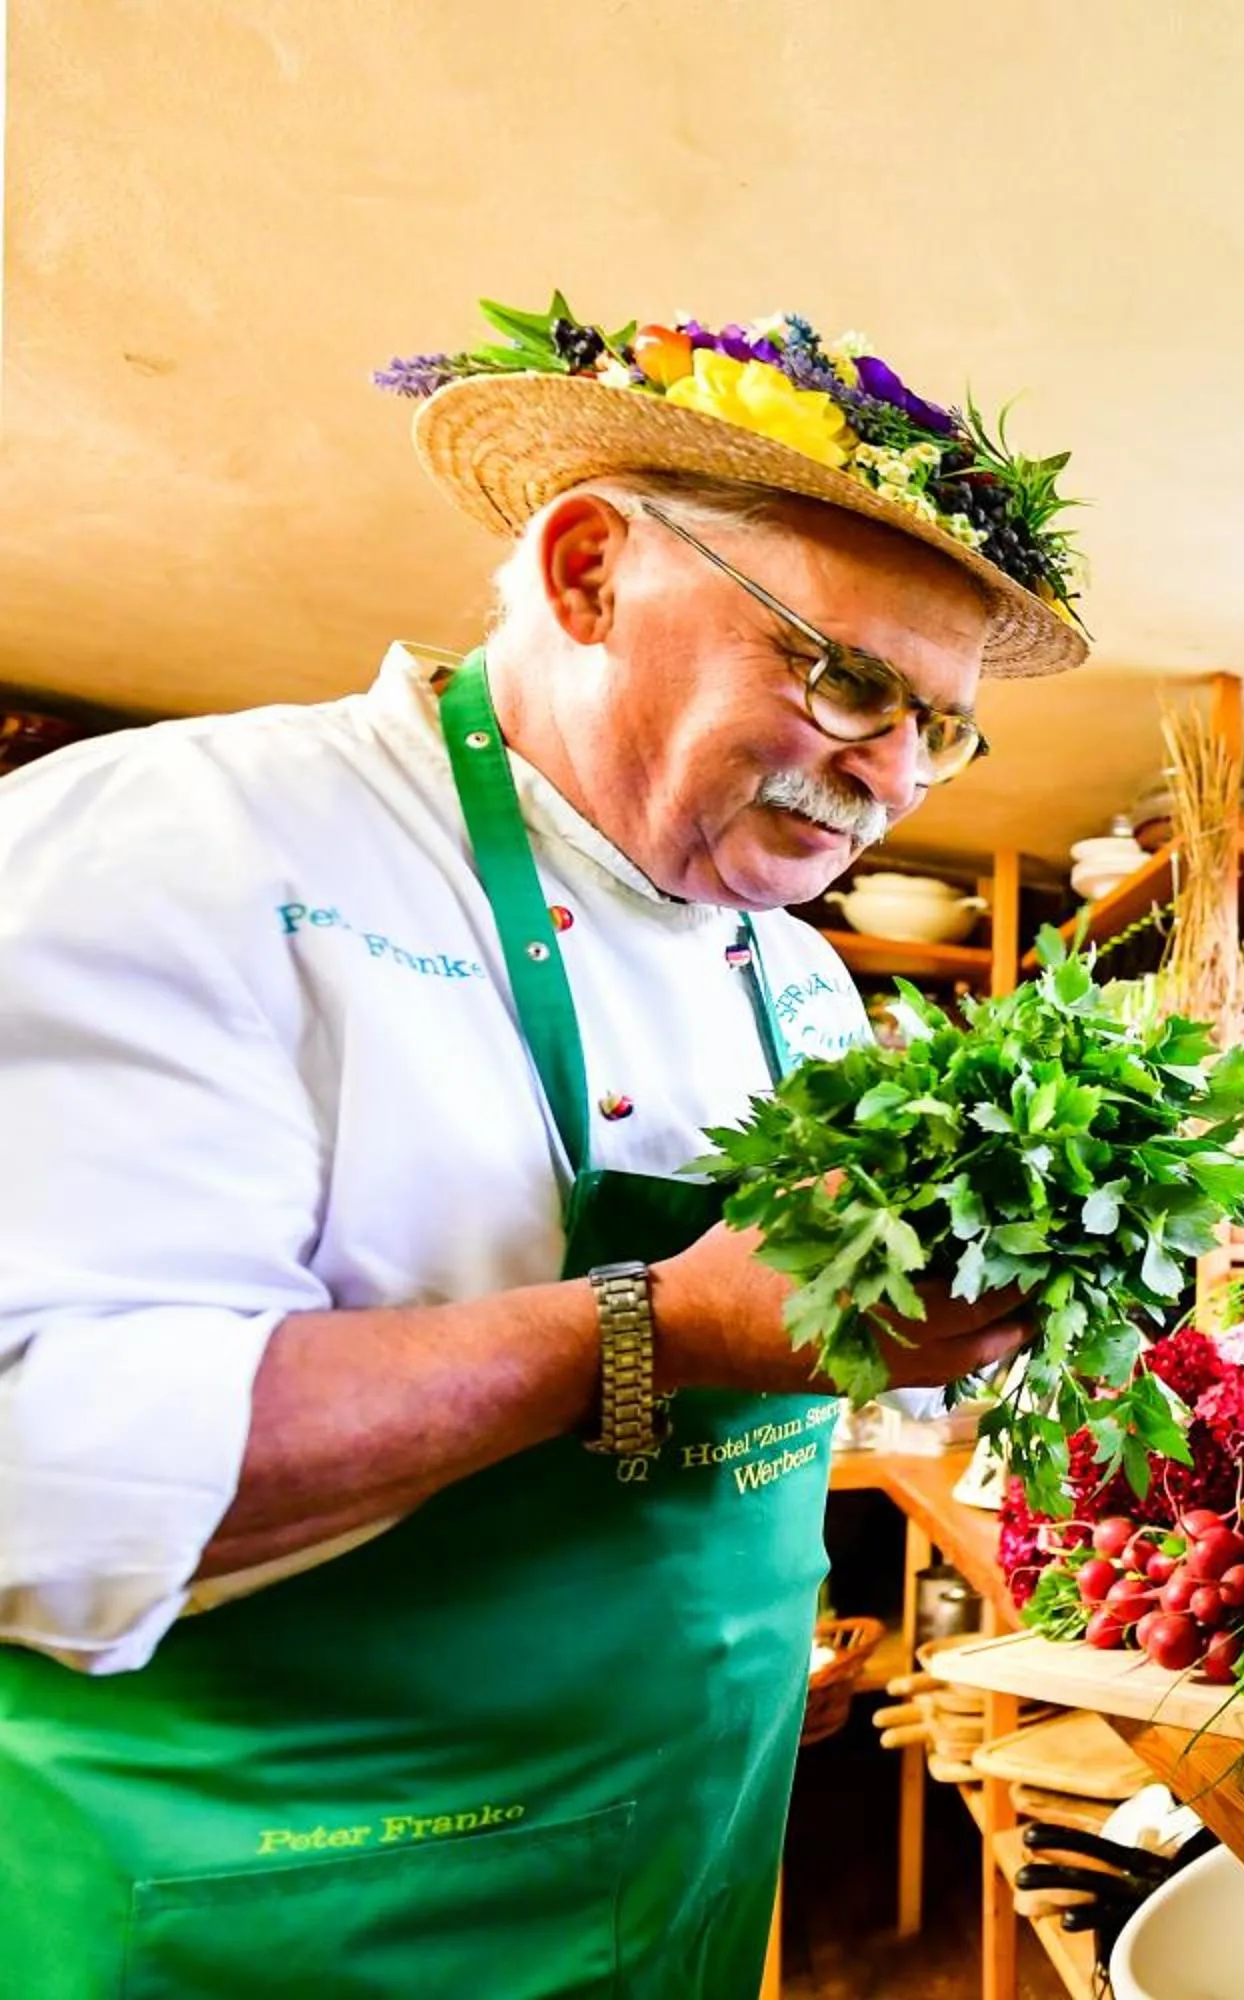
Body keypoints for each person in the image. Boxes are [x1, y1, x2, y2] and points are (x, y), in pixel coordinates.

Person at [0, 300, 1090, 1997]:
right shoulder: (182, 844)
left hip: (682, 1878)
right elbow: (35, 1469)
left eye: (940, 728)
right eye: (850, 679)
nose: (893, 780)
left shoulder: (798, 971)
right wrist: (662, 1330)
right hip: (278, 1915)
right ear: (588, 574)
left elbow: (781, 1359)